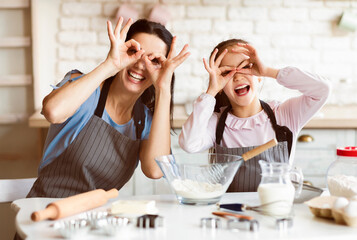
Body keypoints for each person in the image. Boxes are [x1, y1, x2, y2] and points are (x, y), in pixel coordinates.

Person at [27, 17, 190, 198]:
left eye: (154, 61)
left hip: (98, 220)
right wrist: (110, 65)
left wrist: (163, 88)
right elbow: (53, 111)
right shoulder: (86, 91)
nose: (140, 64)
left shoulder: (144, 120)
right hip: (46, 212)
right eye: (134, 51)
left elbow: (155, 170)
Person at [179, 39, 330, 192]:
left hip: (276, 207)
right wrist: (211, 91)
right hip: (231, 212)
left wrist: (269, 71)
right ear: (220, 85)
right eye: (226, 73)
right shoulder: (217, 123)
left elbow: (323, 89)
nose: (237, 77)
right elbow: (189, 144)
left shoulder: (283, 115)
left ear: (258, 75)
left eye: (245, 67)